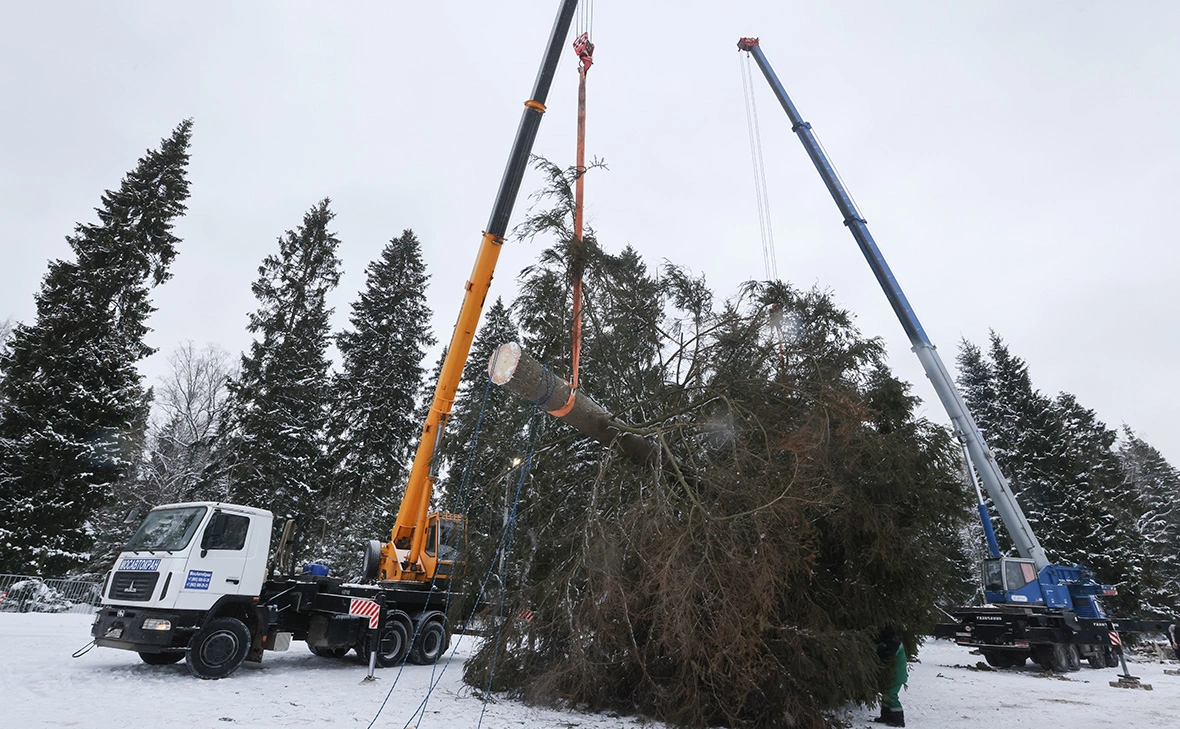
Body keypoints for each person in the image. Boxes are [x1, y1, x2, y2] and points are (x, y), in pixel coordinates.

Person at [875, 628, 908, 727]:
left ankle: (898, 719)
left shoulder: (895, 643)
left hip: (897, 675)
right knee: (886, 694)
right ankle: (886, 716)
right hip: (892, 675)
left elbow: (888, 655)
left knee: (891, 695)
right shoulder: (891, 641)